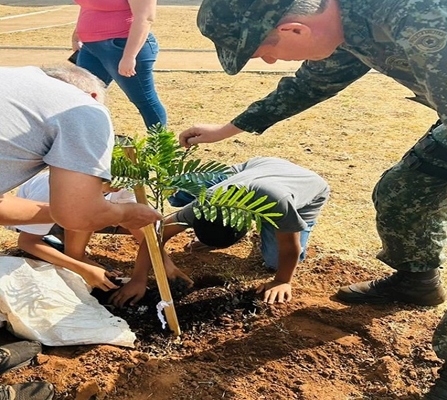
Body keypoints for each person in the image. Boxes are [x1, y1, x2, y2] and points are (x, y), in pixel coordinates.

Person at [177, 0, 447, 398]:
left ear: (295, 29)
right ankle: (416, 281)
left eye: (265, 52)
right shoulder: (349, 21)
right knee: (404, 193)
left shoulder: (430, 17)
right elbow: (314, 80)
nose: (272, 61)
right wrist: (230, 128)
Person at [0, 64, 161, 399]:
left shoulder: (16, 86)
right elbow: (74, 214)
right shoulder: (84, 108)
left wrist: (148, 272)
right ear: (92, 95)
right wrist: (122, 215)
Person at [109, 156, 330, 307]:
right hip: (255, 168)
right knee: (179, 193)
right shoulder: (204, 203)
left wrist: (282, 280)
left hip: (306, 190)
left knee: (274, 260)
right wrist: (138, 279)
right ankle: (190, 204)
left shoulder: (277, 202)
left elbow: (290, 247)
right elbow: (157, 232)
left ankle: (267, 230)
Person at [10, 170, 146, 292]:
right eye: (110, 180)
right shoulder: (53, 189)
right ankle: (75, 255)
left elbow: (140, 225)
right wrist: (81, 268)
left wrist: (162, 265)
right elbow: (27, 242)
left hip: (76, 215)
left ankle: (75, 253)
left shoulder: (124, 180)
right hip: (32, 221)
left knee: (124, 215)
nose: (118, 185)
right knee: (86, 211)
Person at [72, 0, 167, 129]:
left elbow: (145, 18)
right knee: (83, 97)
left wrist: (129, 56)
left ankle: (160, 146)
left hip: (122, 46)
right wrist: (77, 34)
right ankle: (89, 142)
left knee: (144, 100)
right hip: (90, 47)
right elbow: (88, 6)